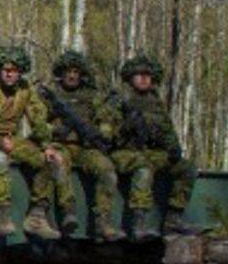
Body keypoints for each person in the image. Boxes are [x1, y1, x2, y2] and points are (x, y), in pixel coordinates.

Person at [0, 45, 65, 241]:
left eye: (14, 71)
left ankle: (37, 216)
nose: (9, 74)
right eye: (5, 70)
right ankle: (3, 214)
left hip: (12, 140)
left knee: (46, 159)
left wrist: (46, 145)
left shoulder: (25, 90)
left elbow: (38, 118)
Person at [110, 53, 197, 239]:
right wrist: (125, 127)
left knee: (186, 168)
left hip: (152, 153)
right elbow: (105, 135)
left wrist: (174, 148)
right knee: (144, 168)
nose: (143, 78)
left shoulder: (156, 104)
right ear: (131, 77)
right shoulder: (119, 102)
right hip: (125, 153)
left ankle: (173, 218)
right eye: (139, 74)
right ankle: (139, 221)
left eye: (147, 75)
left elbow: (167, 131)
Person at [42, 49, 122, 242]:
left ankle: (102, 220)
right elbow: (38, 120)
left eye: (76, 72)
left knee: (107, 170)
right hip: (61, 145)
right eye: (68, 72)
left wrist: (102, 132)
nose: (71, 75)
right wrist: (52, 131)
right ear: (61, 73)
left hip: (86, 147)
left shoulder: (91, 96)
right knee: (59, 165)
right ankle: (68, 211)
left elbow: (105, 118)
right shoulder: (52, 97)